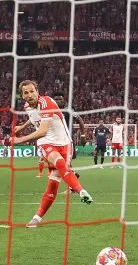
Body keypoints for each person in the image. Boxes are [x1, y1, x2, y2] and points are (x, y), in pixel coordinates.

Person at [11, 80, 92, 228]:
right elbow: (34, 119)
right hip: (45, 142)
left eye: (32, 91)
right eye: (26, 93)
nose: (30, 95)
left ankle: (38, 216)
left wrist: (19, 140)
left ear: (37, 91)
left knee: (53, 182)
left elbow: (42, 130)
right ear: (22, 96)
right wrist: (22, 127)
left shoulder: (46, 102)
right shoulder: (27, 106)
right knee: (58, 162)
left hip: (65, 143)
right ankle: (80, 191)